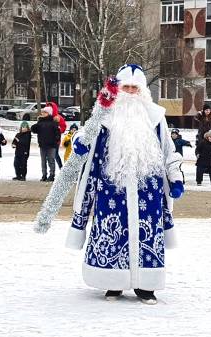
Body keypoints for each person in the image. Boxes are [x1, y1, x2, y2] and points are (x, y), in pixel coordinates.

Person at [64, 64, 184, 304]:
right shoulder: (104, 117)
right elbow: (84, 135)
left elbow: (169, 153)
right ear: (117, 89)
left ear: (142, 91)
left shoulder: (155, 118)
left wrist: (176, 178)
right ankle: (113, 283)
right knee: (113, 233)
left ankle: (146, 287)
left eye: (134, 87)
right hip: (112, 191)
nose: (130, 92)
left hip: (148, 193)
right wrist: (78, 143)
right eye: (125, 87)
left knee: (146, 236)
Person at [31, 106, 60, 182]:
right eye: (42, 112)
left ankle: (52, 175)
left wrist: (56, 140)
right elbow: (34, 129)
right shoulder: (40, 122)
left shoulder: (53, 123)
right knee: (43, 161)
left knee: (51, 160)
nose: (43, 113)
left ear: (49, 113)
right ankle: (44, 174)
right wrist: (37, 122)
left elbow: (57, 133)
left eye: (45, 112)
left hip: (51, 145)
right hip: (42, 144)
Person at [47, 101, 66, 169]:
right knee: (48, 156)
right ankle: (51, 171)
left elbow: (63, 127)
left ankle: (61, 168)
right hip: (47, 139)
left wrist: (58, 130)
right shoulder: (47, 118)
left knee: (55, 154)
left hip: (55, 139)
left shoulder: (58, 117)